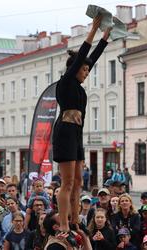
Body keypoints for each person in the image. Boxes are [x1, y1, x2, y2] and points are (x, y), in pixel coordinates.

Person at [52, 14, 111, 236]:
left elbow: (91, 58)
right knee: (66, 183)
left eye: (87, 70)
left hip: (76, 134)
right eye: (84, 70)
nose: (87, 73)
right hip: (65, 133)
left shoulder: (78, 85)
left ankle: (76, 219)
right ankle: (65, 223)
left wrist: (105, 37)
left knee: (78, 182)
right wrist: (94, 29)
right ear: (73, 69)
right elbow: (84, 55)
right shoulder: (66, 82)